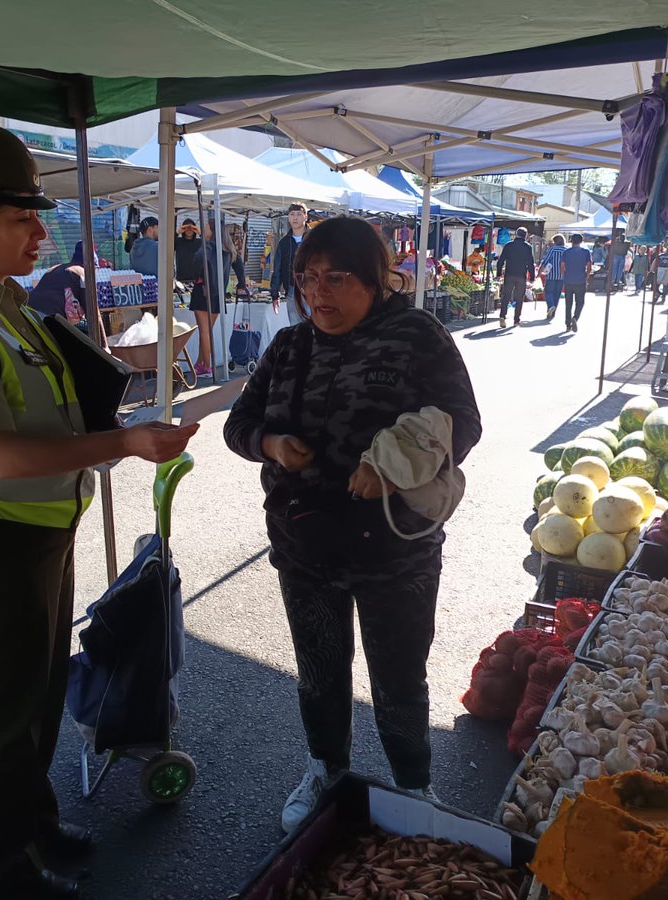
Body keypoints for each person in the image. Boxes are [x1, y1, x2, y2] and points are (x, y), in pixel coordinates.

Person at [0, 123, 197, 900]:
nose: (41, 230)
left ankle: (35, 826)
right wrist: (125, 441)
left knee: (39, 698)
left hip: (42, 530)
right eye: (21, 219)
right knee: (0, 722)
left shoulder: (9, 307)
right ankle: (2, 880)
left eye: (39, 213)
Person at [223, 216, 481, 835]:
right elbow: (237, 424)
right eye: (308, 278)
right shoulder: (288, 345)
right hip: (304, 544)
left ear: (373, 277)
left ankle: (414, 786)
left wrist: (394, 470)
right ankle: (326, 769)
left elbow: (462, 424)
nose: (319, 293)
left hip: (394, 551)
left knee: (398, 676)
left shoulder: (418, 335)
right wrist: (271, 442)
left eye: (336, 278)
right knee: (319, 671)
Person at [190, 218, 248, 376]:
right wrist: (241, 284)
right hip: (219, 294)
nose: (204, 229)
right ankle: (201, 363)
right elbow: (240, 266)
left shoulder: (207, 246)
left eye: (206, 227)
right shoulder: (229, 249)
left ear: (212, 230)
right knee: (207, 330)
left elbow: (195, 264)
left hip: (203, 292)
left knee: (204, 331)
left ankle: (207, 366)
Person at [27, 242, 91, 328]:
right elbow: (93, 313)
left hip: (28, 313)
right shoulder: (82, 272)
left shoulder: (56, 268)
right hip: (48, 319)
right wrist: (101, 341)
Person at [269, 202, 310, 327]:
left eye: (299, 214)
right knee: (295, 329)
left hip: (313, 290)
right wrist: (274, 294)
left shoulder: (315, 238)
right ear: (288, 217)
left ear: (305, 217)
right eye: (292, 214)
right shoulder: (284, 242)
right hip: (292, 290)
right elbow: (277, 268)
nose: (295, 218)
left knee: (315, 328)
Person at [495, 227, 535, 328]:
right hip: (521, 275)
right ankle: (516, 320)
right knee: (519, 298)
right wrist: (532, 276)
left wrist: (499, 273)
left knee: (506, 296)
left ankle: (502, 316)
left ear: (516, 234)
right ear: (525, 236)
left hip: (509, 274)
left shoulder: (508, 245)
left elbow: (500, 261)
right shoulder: (528, 247)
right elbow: (530, 263)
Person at [560, 233, 592, 333]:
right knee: (580, 302)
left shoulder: (566, 252)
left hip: (568, 280)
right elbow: (589, 266)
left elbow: (562, 265)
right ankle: (575, 318)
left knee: (568, 303)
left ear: (571, 241)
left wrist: (564, 275)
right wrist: (586, 277)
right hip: (580, 280)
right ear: (581, 241)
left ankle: (567, 324)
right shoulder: (586, 252)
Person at [539, 235, 566, 322]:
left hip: (551, 275)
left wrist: (540, 270)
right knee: (557, 294)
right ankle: (552, 313)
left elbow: (546, 260)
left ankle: (550, 307)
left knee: (548, 292)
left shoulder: (553, 249)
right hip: (562, 276)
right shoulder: (566, 250)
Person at [173, 218, 201, 283]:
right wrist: (178, 232)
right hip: (181, 278)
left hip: (196, 279)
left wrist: (199, 233)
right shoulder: (178, 241)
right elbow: (169, 245)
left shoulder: (199, 242)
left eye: (191, 229)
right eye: (186, 229)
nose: (189, 230)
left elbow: (208, 245)